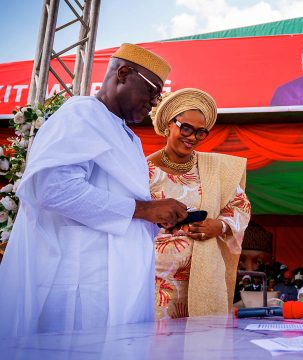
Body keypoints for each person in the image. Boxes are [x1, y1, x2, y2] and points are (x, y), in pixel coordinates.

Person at [0, 43, 189, 337]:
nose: (154, 103)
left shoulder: (125, 134)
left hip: (115, 279)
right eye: (152, 92)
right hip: (84, 283)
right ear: (124, 73)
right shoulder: (81, 115)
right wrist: (144, 210)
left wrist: (153, 218)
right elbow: (54, 190)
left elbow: (115, 198)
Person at [148, 88, 251, 319]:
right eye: (186, 128)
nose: (192, 137)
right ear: (168, 125)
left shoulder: (216, 169)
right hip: (152, 281)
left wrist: (220, 226)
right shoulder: (143, 169)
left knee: (200, 346)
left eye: (200, 132)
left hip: (204, 278)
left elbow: (240, 207)